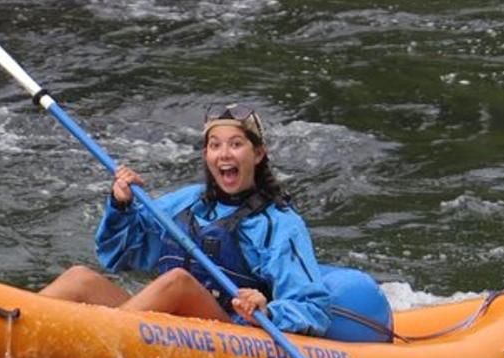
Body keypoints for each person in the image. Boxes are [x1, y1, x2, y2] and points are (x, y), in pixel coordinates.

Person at [39, 103, 333, 336]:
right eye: (214, 145)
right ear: (206, 154)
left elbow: (312, 308)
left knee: (178, 283)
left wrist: (266, 308)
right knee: (79, 278)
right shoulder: (187, 201)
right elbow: (118, 254)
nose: (224, 154)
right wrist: (121, 204)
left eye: (236, 144)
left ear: (257, 154)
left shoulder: (279, 222)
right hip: (162, 327)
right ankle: (11, 321)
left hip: (230, 335)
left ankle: (93, 341)